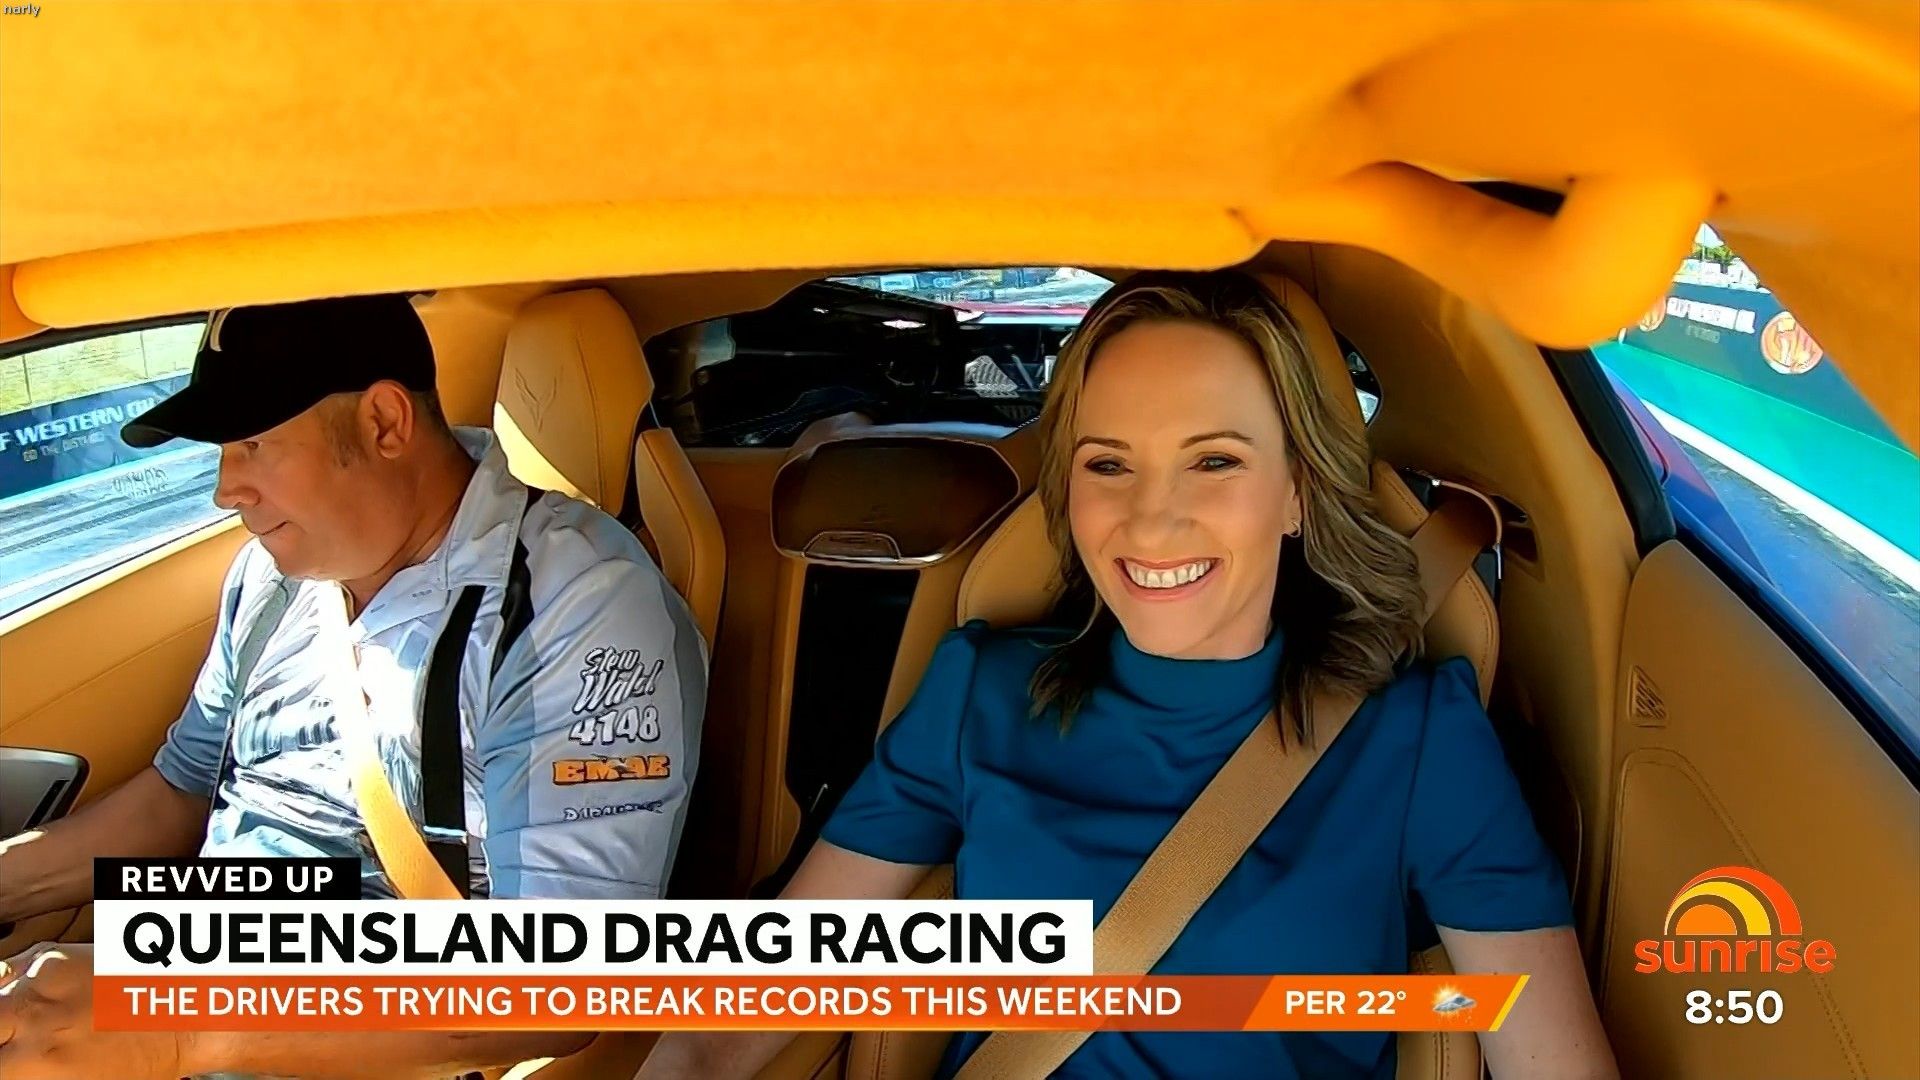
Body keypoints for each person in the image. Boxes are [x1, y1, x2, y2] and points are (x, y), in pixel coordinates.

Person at [638, 270, 1617, 1078]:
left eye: (1214, 462)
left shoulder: (1420, 744)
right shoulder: (979, 699)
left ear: (1296, 494)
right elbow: (733, 1023)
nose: (1152, 521)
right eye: (1109, 465)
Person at [0, 293, 708, 1079]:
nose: (225, 489)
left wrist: (173, 1029)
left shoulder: (574, 607)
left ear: (384, 423)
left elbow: (559, 990)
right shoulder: (270, 581)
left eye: (253, 443)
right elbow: (180, 794)